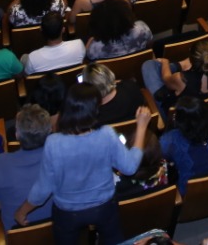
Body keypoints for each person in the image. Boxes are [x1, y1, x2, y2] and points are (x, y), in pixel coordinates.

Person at [13, 85, 153, 244]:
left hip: (67, 212)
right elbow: (130, 167)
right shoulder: (106, 134)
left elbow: (43, 188)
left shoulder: (53, 143)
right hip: (104, 207)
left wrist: (22, 211)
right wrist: (141, 127)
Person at [0, 104, 54, 229]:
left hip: (18, 235)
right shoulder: (62, 157)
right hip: (59, 229)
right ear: (50, 131)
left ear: (17, 135)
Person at [22, 11, 86, 74]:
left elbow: (28, 75)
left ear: (41, 30)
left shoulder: (32, 58)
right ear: (63, 30)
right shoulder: (79, 45)